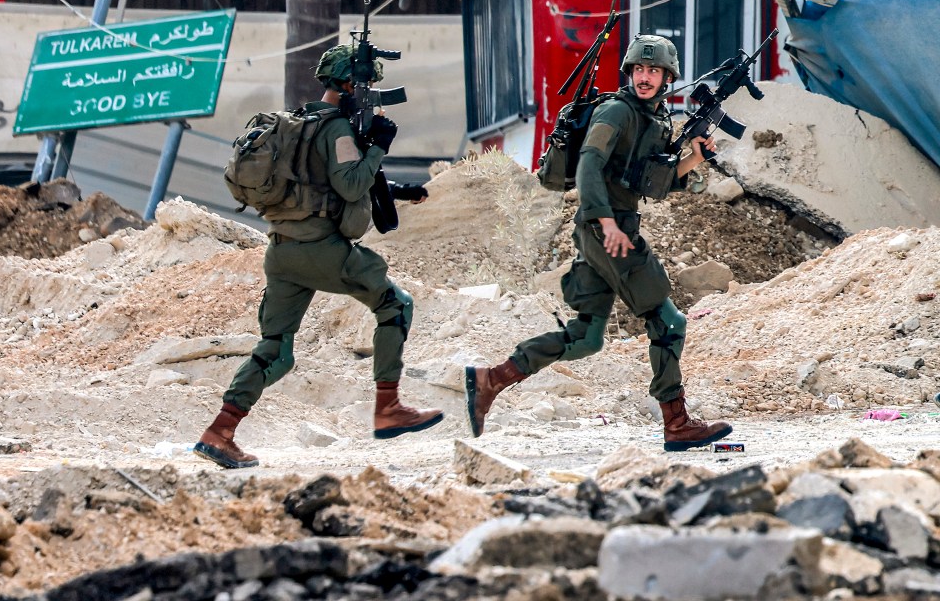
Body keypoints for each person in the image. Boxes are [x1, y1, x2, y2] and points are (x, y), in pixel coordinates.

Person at [465, 34, 733, 451]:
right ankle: (676, 422)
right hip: (607, 230)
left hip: (607, 228)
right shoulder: (616, 111)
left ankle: (491, 379)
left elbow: (656, 184)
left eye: (654, 71)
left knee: (586, 338)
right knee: (668, 323)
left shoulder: (656, 118)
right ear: (629, 73)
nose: (645, 78)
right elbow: (590, 162)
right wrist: (606, 221)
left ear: (667, 77)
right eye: (639, 70)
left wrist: (696, 156)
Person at [195, 44, 443, 469]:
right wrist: (380, 145)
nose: (371, 92)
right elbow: (348, 185)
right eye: (366, 85)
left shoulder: (300, 124)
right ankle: (389, 407)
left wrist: (396, 190)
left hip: (282, 251)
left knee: (275, 350)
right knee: (395, 305)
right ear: (349, 84)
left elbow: (319, 181)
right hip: (322, 250)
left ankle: (219, 433)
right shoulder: (339, 130)